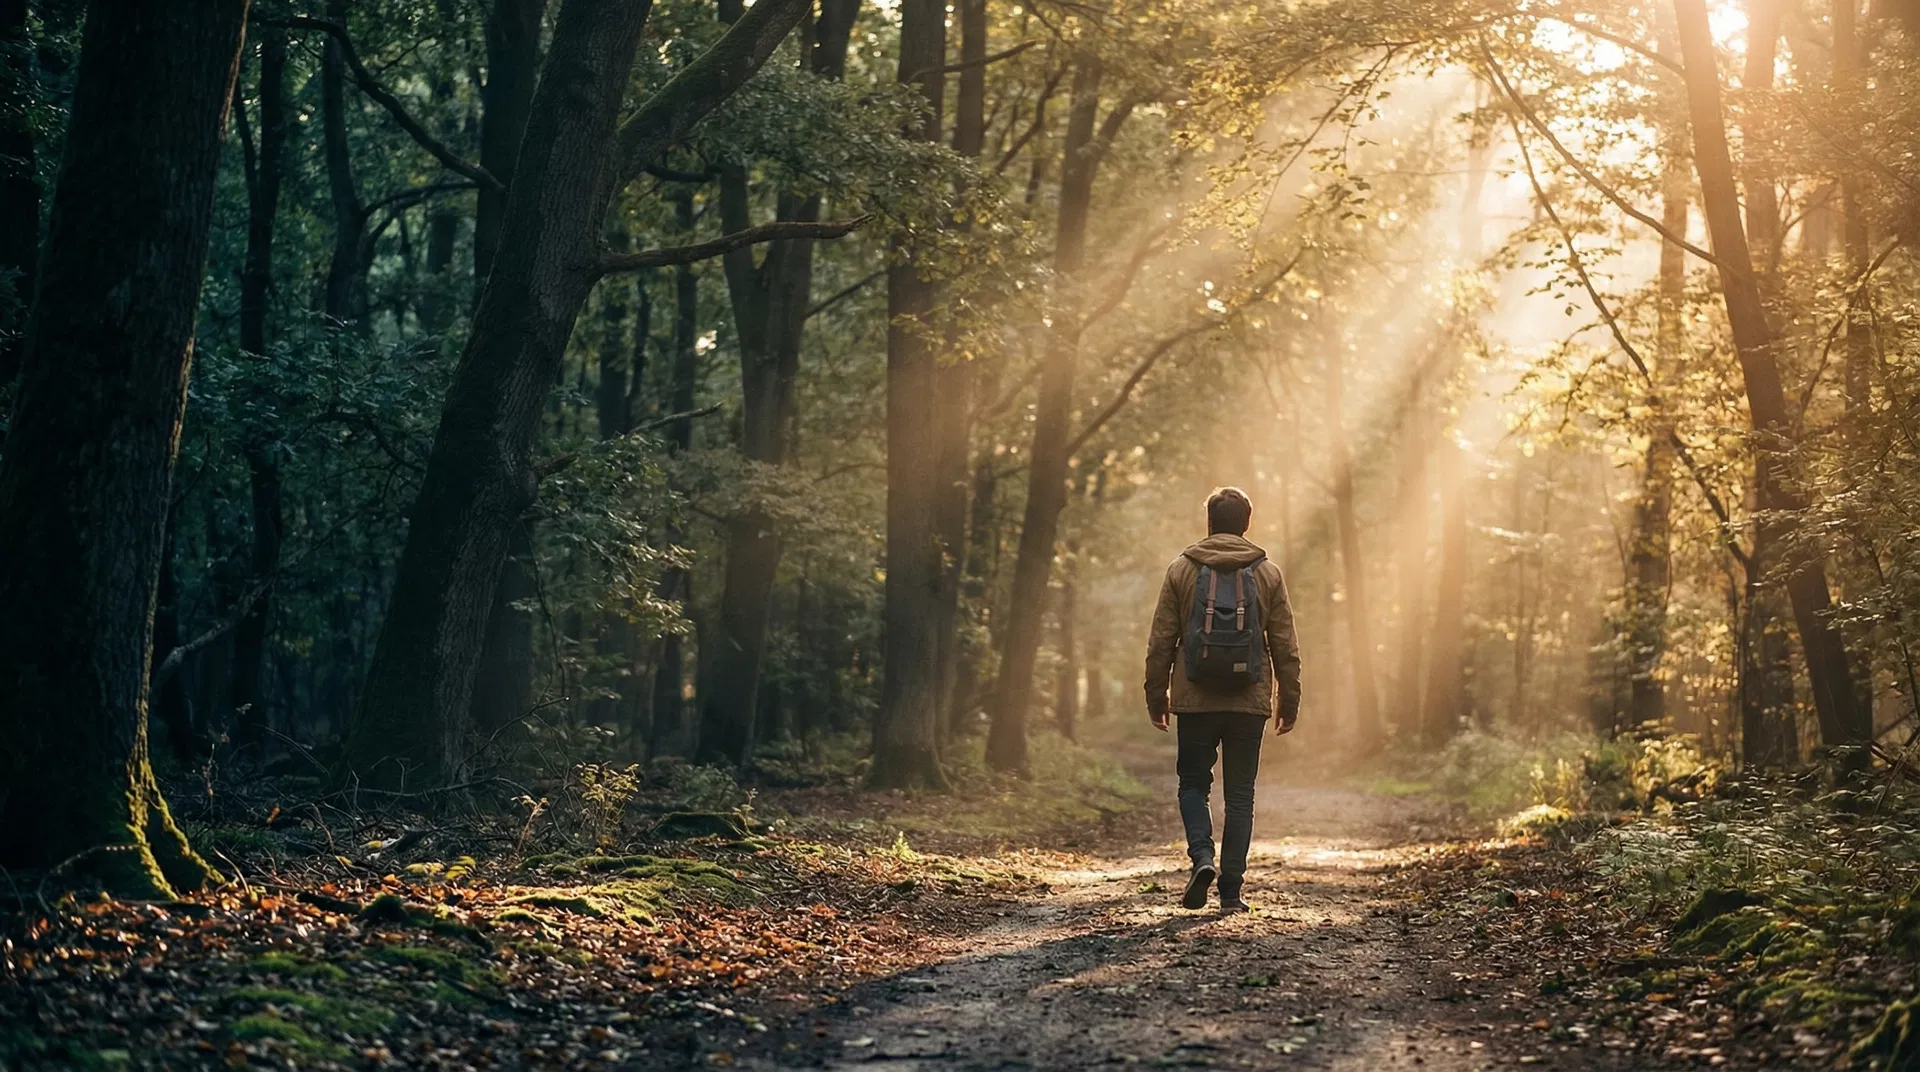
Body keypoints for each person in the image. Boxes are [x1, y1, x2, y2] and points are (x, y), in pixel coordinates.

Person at [1143, 486, 1302, 913]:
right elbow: (1284, 642)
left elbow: (1162, 639)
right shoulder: (1267, 572)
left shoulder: (1182, 569)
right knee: (1241, 795)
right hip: (1249, 701)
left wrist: (1156, 695)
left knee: (1193, 785)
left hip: (1195, 699)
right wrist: (1289, 700)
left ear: (1210, 522)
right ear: (1246, 523)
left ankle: (1201, 859)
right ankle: (1231, 891)